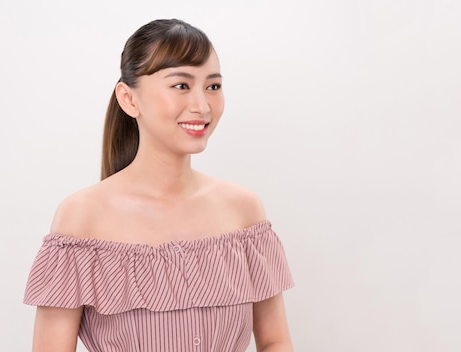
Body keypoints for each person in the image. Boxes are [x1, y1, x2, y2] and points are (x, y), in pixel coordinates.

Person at [23, 18, 295, 352]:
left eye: (213, 86)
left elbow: (274, 342)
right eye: (181, 85)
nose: (202, 105)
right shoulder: (82, 217)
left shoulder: (243, 210)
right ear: (129, 98)